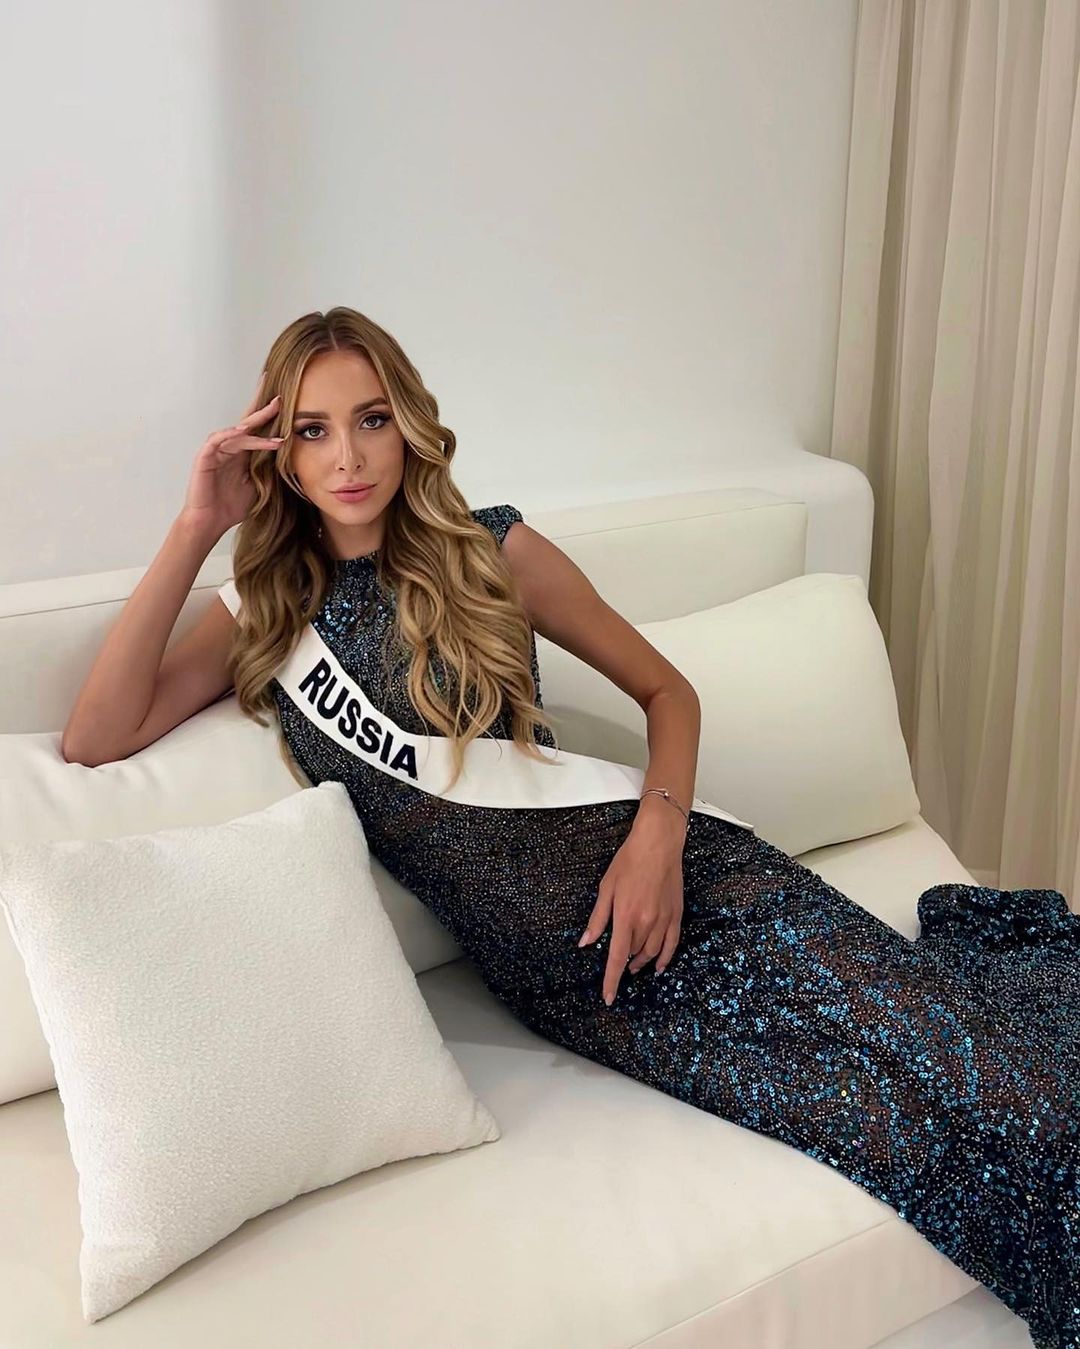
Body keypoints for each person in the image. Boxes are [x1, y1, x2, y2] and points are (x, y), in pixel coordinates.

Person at [63, 306, 1080, 1349]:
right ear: (279, 452)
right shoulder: (268, 610)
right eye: (314, 431)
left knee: (1011, 1086)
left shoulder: (491, 548)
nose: (349, 457)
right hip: (583, 982)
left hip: (698, 882)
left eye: (371, 418)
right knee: (899, 1129)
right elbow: (97, 737)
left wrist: (657, 843)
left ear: (409, 422)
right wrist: (196, 524)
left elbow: (669, 692)